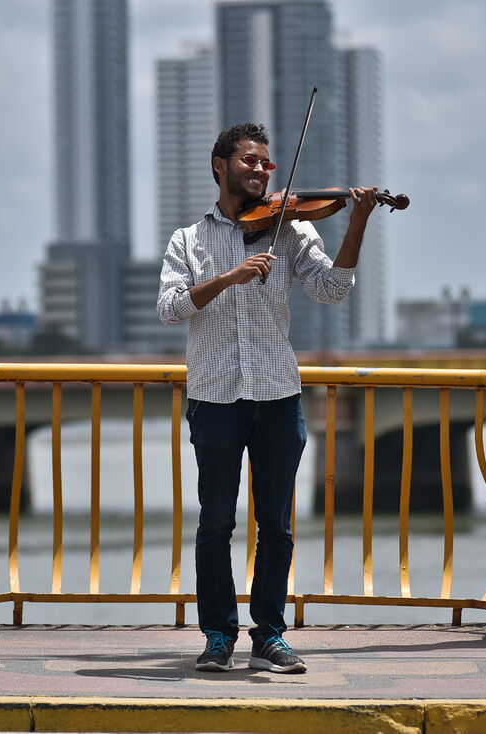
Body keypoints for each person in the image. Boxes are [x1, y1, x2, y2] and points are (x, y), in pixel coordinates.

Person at [156, 122, 378, 674]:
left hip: (278, 394)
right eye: (249, 161)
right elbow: (169, 307)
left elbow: (332, 290)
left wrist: (359, 221)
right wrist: (230, 277)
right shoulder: (188, 239)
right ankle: (216, 636)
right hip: (214, 398)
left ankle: (270, 635)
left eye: (266, 165)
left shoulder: (291, 229)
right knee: (214, 524)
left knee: (276, 524)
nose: (259, 170)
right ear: (220, 165)